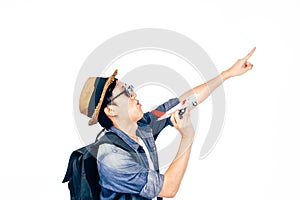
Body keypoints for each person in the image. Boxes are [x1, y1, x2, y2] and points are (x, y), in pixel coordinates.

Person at [79, 47, 256, 199]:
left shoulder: (143, 125)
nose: (134, 94)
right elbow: (169, 188)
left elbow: (183, 102)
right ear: (110, 110)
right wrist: (187, 137)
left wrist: (228, 74)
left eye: (130, 88)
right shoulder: (112, 157)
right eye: (125, 92)